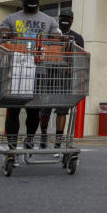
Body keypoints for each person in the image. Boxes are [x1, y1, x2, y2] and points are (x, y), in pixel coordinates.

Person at [0, 0, 61, 149]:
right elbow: (1, 35)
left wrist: (54, 39)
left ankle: (30, 138)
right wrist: (5, 35)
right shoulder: (11, 18)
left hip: (39, 70)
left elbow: (56, 38)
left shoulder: (49, 20)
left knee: (34, 110)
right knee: (14, 109)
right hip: (17, 70)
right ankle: (12, 144)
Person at [38, 8, 84, 148]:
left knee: (62, 111)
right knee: (45, 110)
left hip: (66, 79)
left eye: (68, 18)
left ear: (72, 21)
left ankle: (58, 140)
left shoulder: (77, 38)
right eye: (63, 17)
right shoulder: (51, 35)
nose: (65, 20)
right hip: (49, 77)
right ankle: (44, 135)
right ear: (58, 20)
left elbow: (81, 57)